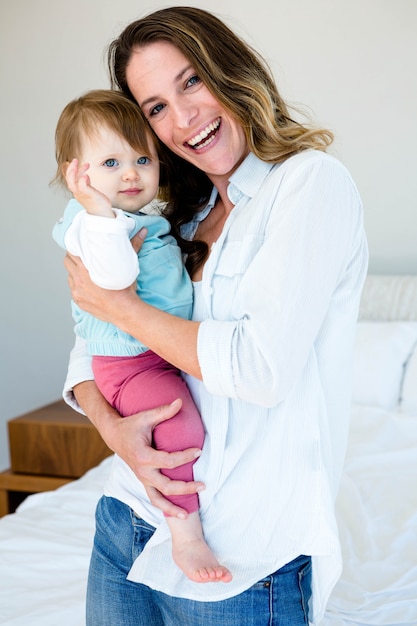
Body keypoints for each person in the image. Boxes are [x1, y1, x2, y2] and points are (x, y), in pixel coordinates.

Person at [62, 7, 368, 626]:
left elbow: (259, 369)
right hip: (127, 524)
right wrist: (112, 428)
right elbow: (91, 342)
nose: (183, 119)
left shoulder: (309, 186)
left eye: (191, 81)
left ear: (231, 71)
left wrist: (117, 303)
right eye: (154, 108)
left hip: (246, 561)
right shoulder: (172, 212)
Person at [52, 88, 231, 584]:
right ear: (77, 175)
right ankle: (186, 535)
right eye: (110, 162)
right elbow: (111, 284)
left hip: (156, 354)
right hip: (130, 364)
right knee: (179, 429)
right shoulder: (89, 226)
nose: (130, 173)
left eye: (142, 159)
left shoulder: (145, 220)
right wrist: (97, 211)